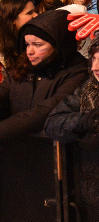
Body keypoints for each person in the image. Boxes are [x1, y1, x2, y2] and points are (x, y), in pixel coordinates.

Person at [0, 10, 89, 142]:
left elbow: (45, 111)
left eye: (37, 45)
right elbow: (3, 93)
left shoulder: (78, 72)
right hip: (17, 152)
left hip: (54, 154)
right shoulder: (24, 67)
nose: (29, 51)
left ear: (58, 45)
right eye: (27, 44)